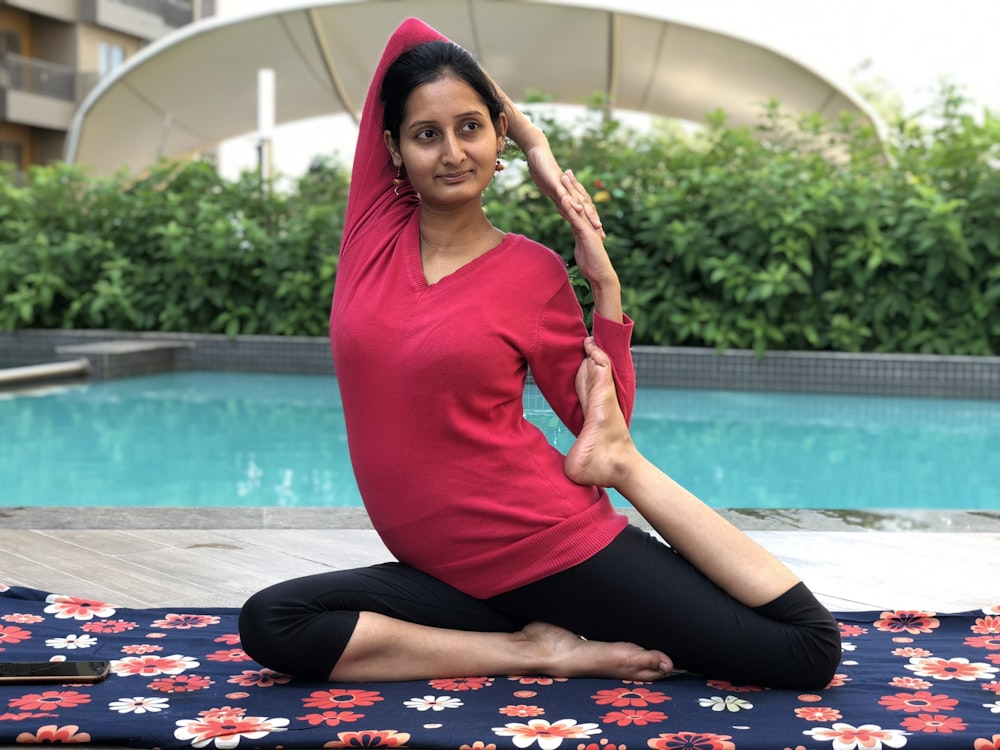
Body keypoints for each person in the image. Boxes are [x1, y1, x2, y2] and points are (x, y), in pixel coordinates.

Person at [238, 17, 841, 690]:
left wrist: (604, 288)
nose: (451, 151)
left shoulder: (532, 273)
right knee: (274, 621)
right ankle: (538, 651)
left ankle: (560, 616)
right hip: (453, 572)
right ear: (395, 149)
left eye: (471, 127)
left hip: (546, 542)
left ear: (492, 135)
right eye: (426, 134)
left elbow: (601, 430)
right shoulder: (373, 227)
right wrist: (536, 143)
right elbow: (410, 33)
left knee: (804, 651)